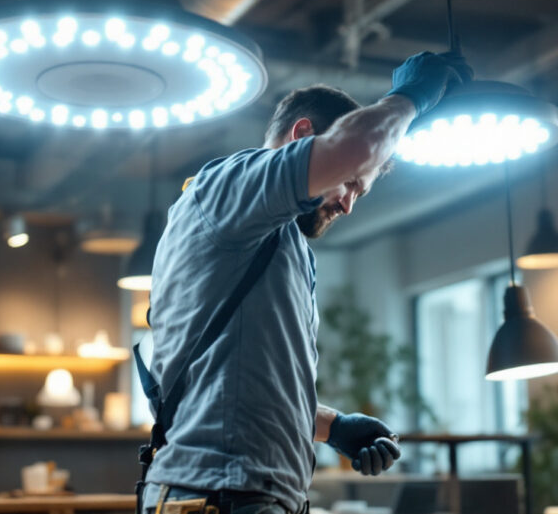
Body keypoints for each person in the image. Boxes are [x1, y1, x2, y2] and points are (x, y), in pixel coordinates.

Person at [141, 52, 465, 514]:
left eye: (360, 192)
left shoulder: (276, 239)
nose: (349, 205)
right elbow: (354, 147)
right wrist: (411, 98)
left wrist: (332, 427)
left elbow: (234, 385)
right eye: (350, 183)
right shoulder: (227, 187)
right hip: (217, 495)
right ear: (302, 135)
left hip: (245, 494)